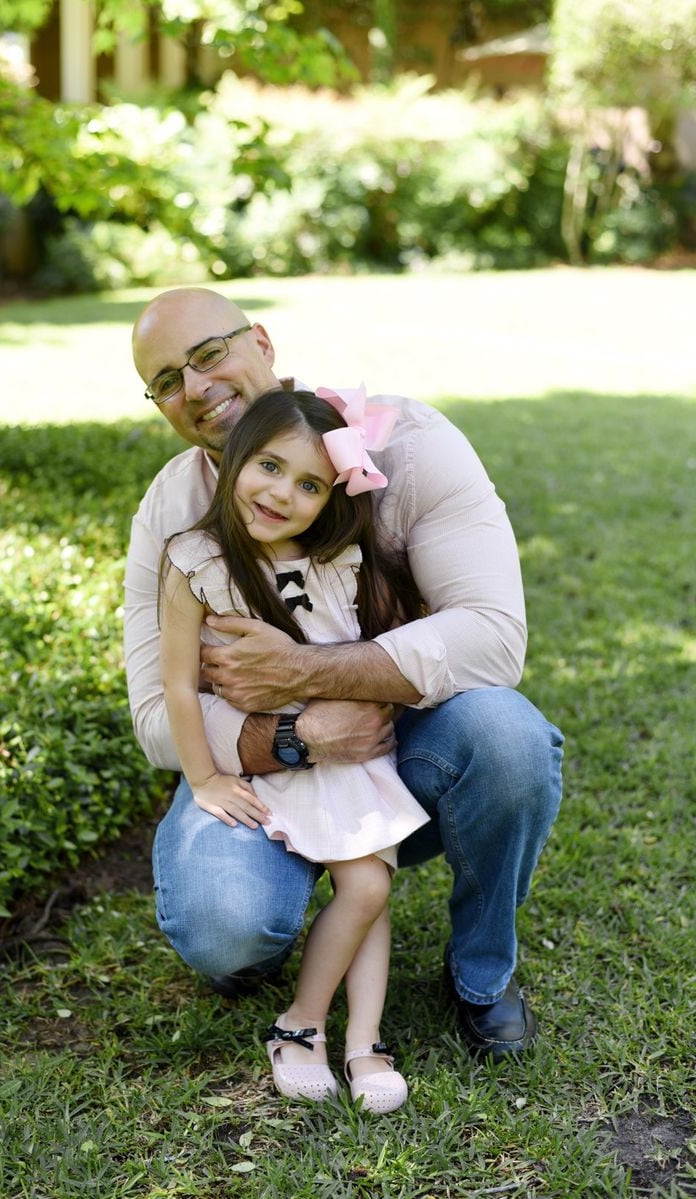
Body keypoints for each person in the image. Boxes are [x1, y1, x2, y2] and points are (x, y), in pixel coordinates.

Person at [125, 286, 564, 1062]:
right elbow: (158, 710)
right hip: (257, 764)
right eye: (165, 380)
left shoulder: (409, 445)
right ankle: (262, 931)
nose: (193, 387)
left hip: (401, 743)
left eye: (208, 354)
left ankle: (481, 973)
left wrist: (304, 667)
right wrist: (296, 734)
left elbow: (494, 640)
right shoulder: (173, 513)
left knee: (510, 740)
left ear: (261, 341)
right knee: (225, 920)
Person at [161, 386, 431, 1110]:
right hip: (284, 761)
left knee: (370, 889)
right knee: (368, 886)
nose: (283, 493)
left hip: (354, 755)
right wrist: (205, 777)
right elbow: (179, 689)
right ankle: (301, 1022)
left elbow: (381, 648)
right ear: (236, 457)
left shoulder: (337, 557)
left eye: (310, 483)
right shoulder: (195, 562)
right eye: (270, 467)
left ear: (330, 497)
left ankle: (362, 1039)